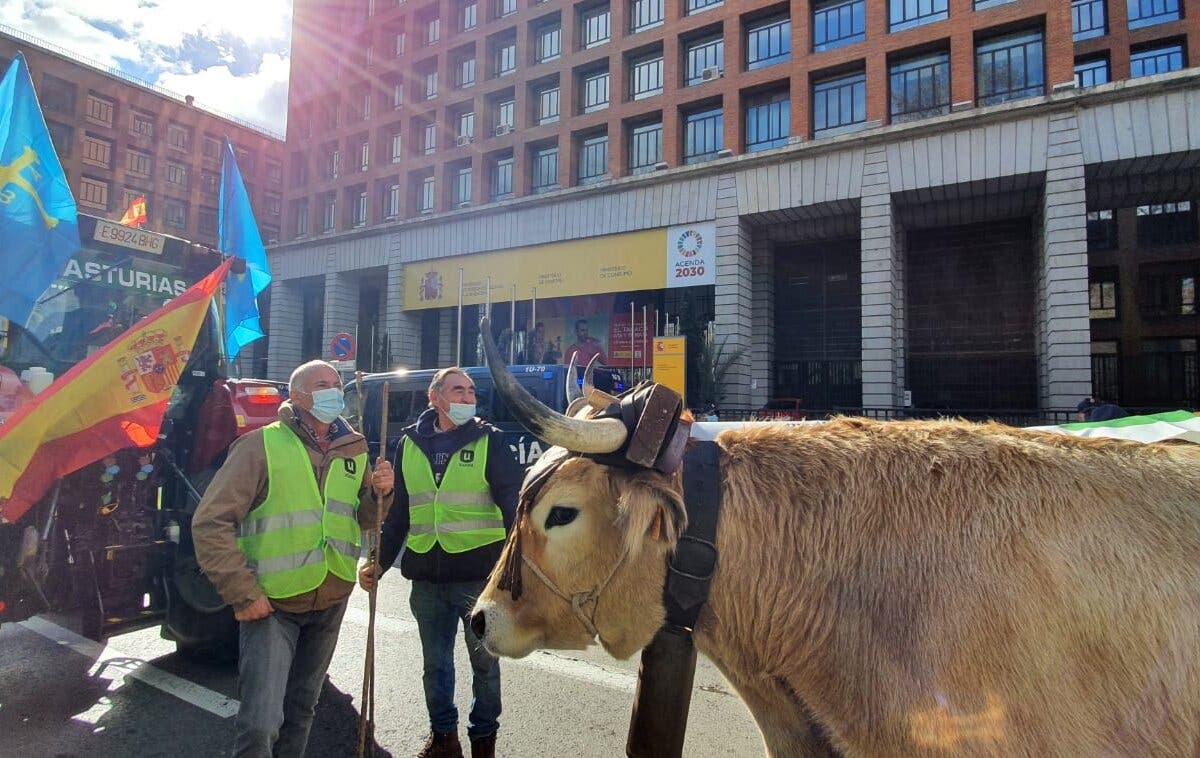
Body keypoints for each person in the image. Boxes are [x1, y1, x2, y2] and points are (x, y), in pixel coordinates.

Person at [193, 359, 394, 758]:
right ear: (297, 396)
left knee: (302, 711)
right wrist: (242, 592)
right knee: (260, 724)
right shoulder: (260, 445)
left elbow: (366, 519)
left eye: (337, 384)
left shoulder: (353, 446)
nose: (335, 390)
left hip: (332, 598)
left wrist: (379, 494)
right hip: (273, 606)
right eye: (323, 384)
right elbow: (210, 521)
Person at [359, 367, 522, 758]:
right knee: (435, 666)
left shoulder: (490, 441)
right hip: (427, 583)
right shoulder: (409, 444)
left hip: (479, 583)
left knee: (485, 667)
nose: (467, 398)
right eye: (457, 390)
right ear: (435, 398)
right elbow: (400, 516)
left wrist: (515, 572)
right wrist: (378, 564)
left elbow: (515, 511)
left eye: (471, 392)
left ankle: (484, 741)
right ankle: (443, 739)